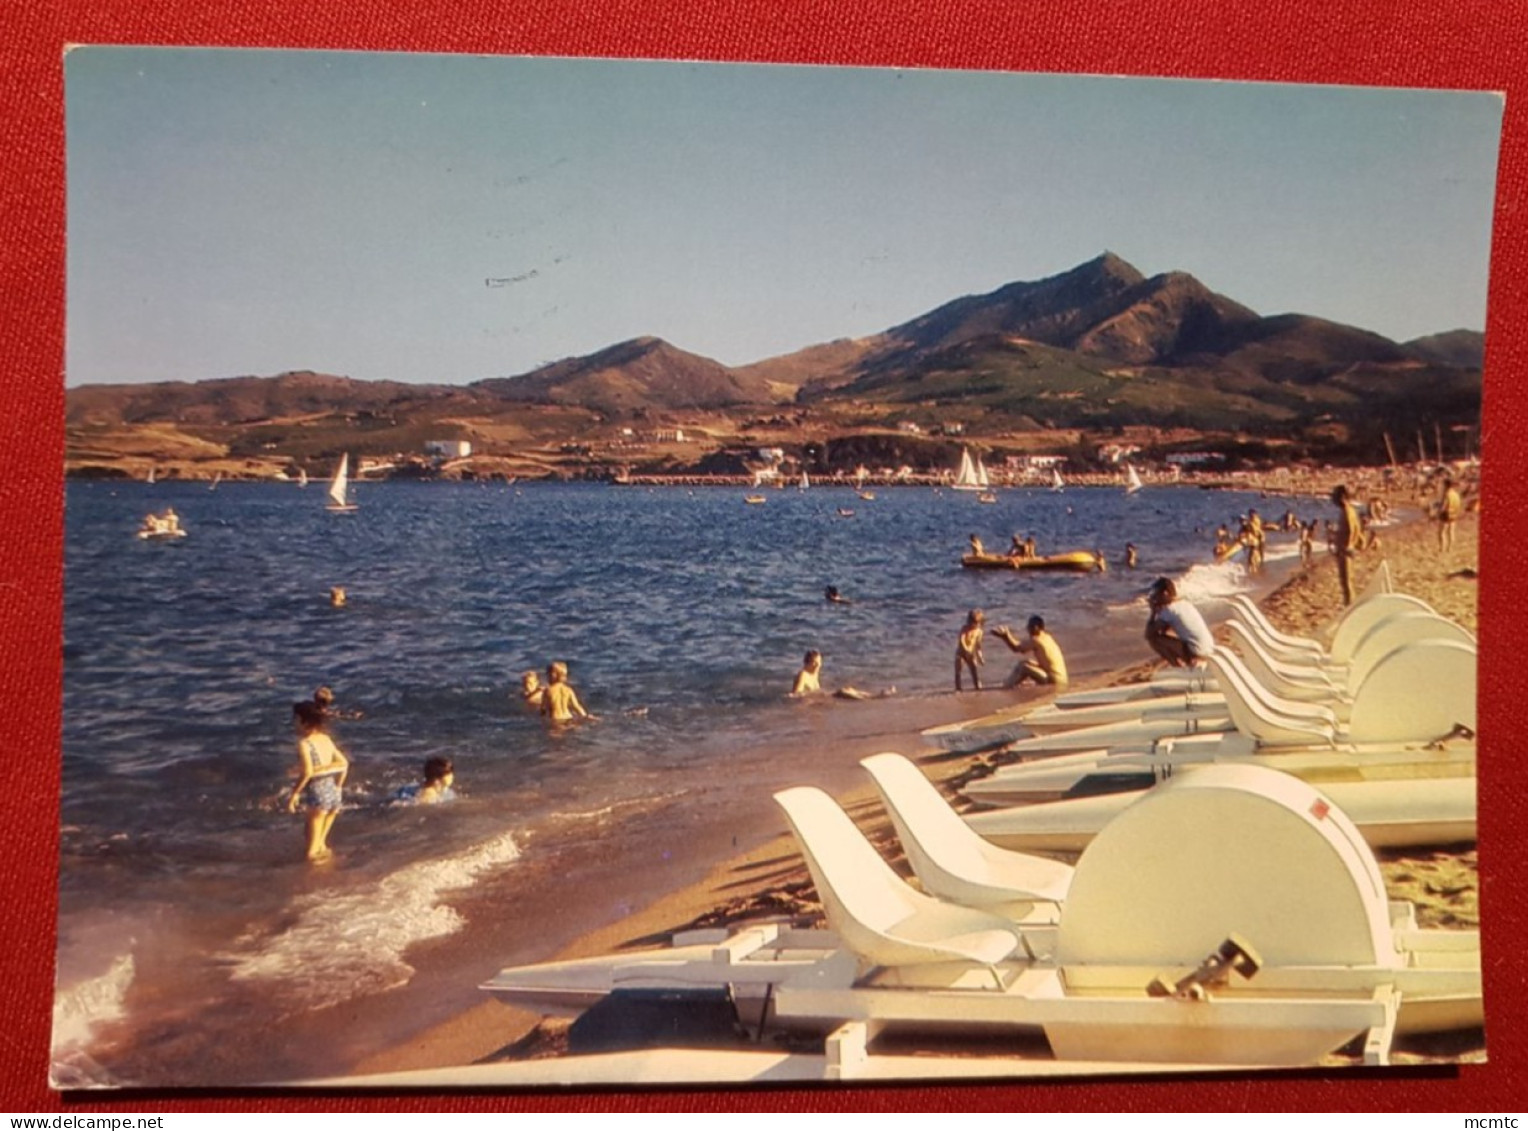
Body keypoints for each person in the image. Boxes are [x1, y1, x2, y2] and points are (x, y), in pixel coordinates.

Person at [287, 700, 349, 862]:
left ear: (304, 721)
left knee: (312, 850)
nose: (294, 723)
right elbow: (344, 764)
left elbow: (308, 772)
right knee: (321, 844)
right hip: (334, 793)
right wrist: (339, 786)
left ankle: (315, 881)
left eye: (295, 719)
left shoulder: (305, 743)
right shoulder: (326, 739)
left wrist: (294, 794)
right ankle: (328, 877)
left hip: (318, 794)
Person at [1144, 577, 1215, 668]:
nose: (1155, 598)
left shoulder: (1169, 610)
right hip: (1208, 648)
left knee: (1154, 640)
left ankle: (1177, 667)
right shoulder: (1185, 604)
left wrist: (1153, 613)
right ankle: (1181, 663)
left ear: (1165, 594)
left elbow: (1149, 634)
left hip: (1197, 652)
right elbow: (1164, 629)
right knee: (1162, 637)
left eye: (1157, 595)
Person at [992, 615, 1069, 688]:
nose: (1027, 629)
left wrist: (1006, 635)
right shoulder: (1047, 637)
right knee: (1026, 662)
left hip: (1054, 680)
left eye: (1029, 626)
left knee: (1024, 667)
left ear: (1035, 627)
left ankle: (1007, 686)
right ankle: (1013, 682)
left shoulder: (1036, 640)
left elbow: (1016, 648)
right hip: (1061, 679)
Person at [791, 650, 891, 700]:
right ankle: (871, 700)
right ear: (807, 663)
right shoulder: (803, 675)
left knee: (849, 689)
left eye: (819, 662)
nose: (818, 665)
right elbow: (795, 694)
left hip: (821, 697)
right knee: (843, 692)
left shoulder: (813, 675)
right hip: (819, 698)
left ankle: (875, 696)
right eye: (815, 663)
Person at [1331, 484, 1364, 606]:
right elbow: (1357, 529)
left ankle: (1349, 607)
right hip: (1346, 550)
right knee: (1347, 582)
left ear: (1342, 497)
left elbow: (1351, 529)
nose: (1332, 499)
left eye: (1334, 496)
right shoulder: (1351, 510)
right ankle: (1349, 606)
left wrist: (1347, 546)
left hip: (1345, 551)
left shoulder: (1346, 511)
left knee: (1346, 582)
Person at [954, 609, 985, 691]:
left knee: (974, 668)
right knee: (958, 669)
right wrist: (966, 649)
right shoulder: (964, 628)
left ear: (979, 623)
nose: (971, 625)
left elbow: (978, 645)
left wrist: (980, 657)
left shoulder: (979, 632)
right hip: (961, 653)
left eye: (974, 623)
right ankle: (958, 687)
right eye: (970, 622)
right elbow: (962, 640)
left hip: (971, 654)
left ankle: (977, 685)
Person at [1437, 477, 1463, 554]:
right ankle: (1450, 548)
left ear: (1445, 485)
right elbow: (1459, 504)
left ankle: (1442, 548)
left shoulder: (1447, 494)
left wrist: (1438, 512)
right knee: (1451, 532)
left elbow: (1444, 506)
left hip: (1446, 514)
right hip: (1454, 513)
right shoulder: (1456, 494)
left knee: (1441, 532)